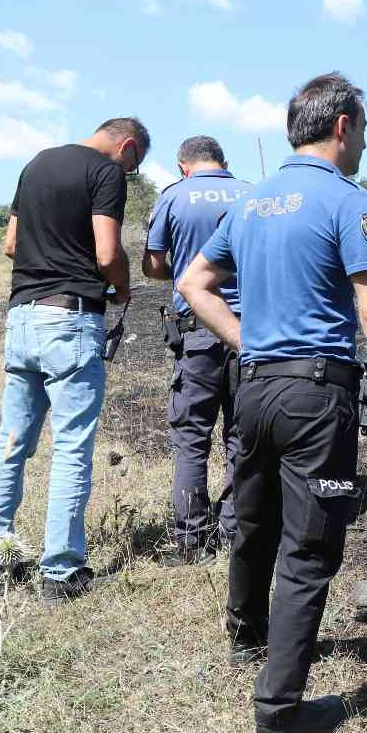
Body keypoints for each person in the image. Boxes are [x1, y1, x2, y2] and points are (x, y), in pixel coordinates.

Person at [178, 72, 367, 733]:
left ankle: (246, 639)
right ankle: (278, 716)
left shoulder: (252, 203)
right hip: (317, 396)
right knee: (310, 548)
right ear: (342, 126)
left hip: (252, 389)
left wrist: (246, 340)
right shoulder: (346, 200)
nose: (365, 143)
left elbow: (193, 283)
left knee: (254, 523)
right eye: (364, 130)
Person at [0, 118, 151, 603]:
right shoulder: (106, 172)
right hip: (69, 320)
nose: (129, 173)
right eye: (133, 166)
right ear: (127, 145)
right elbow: (106, 251)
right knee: (72, 445)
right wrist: (121, 288)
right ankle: (60, 570)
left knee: (11, 442)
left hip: (22, 318)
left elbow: (11, 244)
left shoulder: (34, 165)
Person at [142, 135, 252, 565]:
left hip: (198, 332)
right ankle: (234, 530)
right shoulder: (251, 193)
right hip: (248, 332)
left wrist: (188, 269)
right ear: (223, 161)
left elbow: (153, 265)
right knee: (241, 436)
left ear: (181, 165)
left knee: (191, 438)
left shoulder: (173, 197)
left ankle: (191, 541)